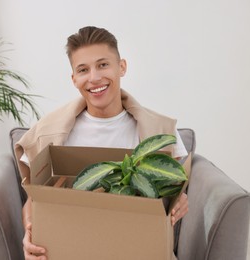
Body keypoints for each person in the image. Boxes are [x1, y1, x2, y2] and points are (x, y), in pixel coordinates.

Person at [14, 26, 189, 260]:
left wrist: (180, 201)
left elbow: (174, 193)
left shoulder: (160, 132)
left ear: (122, 67)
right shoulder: (48, 133)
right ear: (74, 78)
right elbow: (34, 200)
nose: (94, 77)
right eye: (83, 70)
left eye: (103, 65)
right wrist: (30, 233)